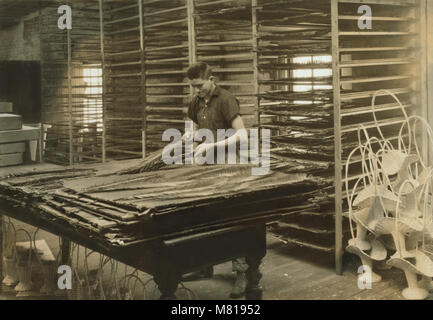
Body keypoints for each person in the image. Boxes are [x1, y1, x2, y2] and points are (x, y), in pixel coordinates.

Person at [182, 62, 249, 299]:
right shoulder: (196, 101)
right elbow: (191, 124)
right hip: (204, 168)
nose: (196, 90)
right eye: (192, 87)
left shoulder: (226, 100)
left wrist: (212, 144)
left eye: (199, 85)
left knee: (231, 220)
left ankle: (242, 273)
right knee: (203, 217)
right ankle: (203, 265)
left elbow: (242, 134)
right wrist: (191, 139)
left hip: (227, 167)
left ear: (213, 79)